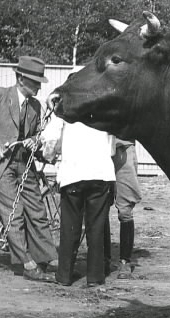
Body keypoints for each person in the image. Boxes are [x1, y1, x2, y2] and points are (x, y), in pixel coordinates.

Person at [0, 56, 58, 282]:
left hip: (24, 165)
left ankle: (46, 258)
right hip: (1, 165)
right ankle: (26, 263)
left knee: (37, 211)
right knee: (14, 216)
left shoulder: (36, 105)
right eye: (35, 81)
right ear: (21, 78)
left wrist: (35, 141)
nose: (39, 85)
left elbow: (36, 133)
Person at [42, 106, 116, 287]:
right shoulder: (104, 111)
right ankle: (95, 277)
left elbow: (50, 138)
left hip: (73, 174)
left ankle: (64, 276)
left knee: (69, 227)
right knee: (96, 228)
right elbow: (112, 147)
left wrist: (48, 155)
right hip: (100, 173)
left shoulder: (65, 111)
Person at [110, 138, 142, 279]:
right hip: (97, 150)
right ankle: (103, 259)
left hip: (123, 148)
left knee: (125, 210)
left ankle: (125, 261)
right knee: (99, 206)